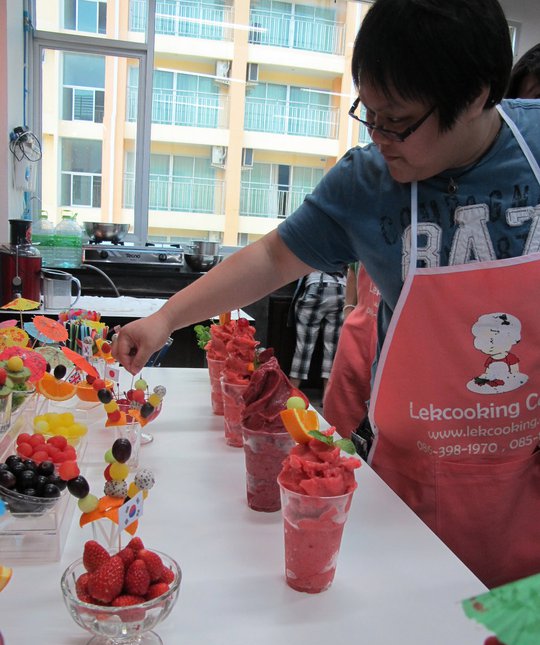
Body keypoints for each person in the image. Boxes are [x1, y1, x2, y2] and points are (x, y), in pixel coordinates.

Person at [113, 0, 540, 589]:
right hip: (413, 479)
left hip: (526, 471)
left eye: (398, 121)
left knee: (512, 639)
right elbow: (272, 257)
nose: (379, 137)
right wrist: (166, 318)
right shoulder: (366, 183)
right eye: (370, 113)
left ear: (476, 96)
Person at [323, 263, 380, 439]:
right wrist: (348, 310)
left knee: (387, 413)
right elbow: (353, 270)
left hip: (397, 335)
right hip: (359, 331)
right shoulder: (366, 244)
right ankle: (337, 452)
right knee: (342, 404)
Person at [288, 270, 345, 396]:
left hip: (316, 285)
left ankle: (292, 393)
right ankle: (327, 398)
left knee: (304, 347)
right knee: (332, 349)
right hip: (340, 287)